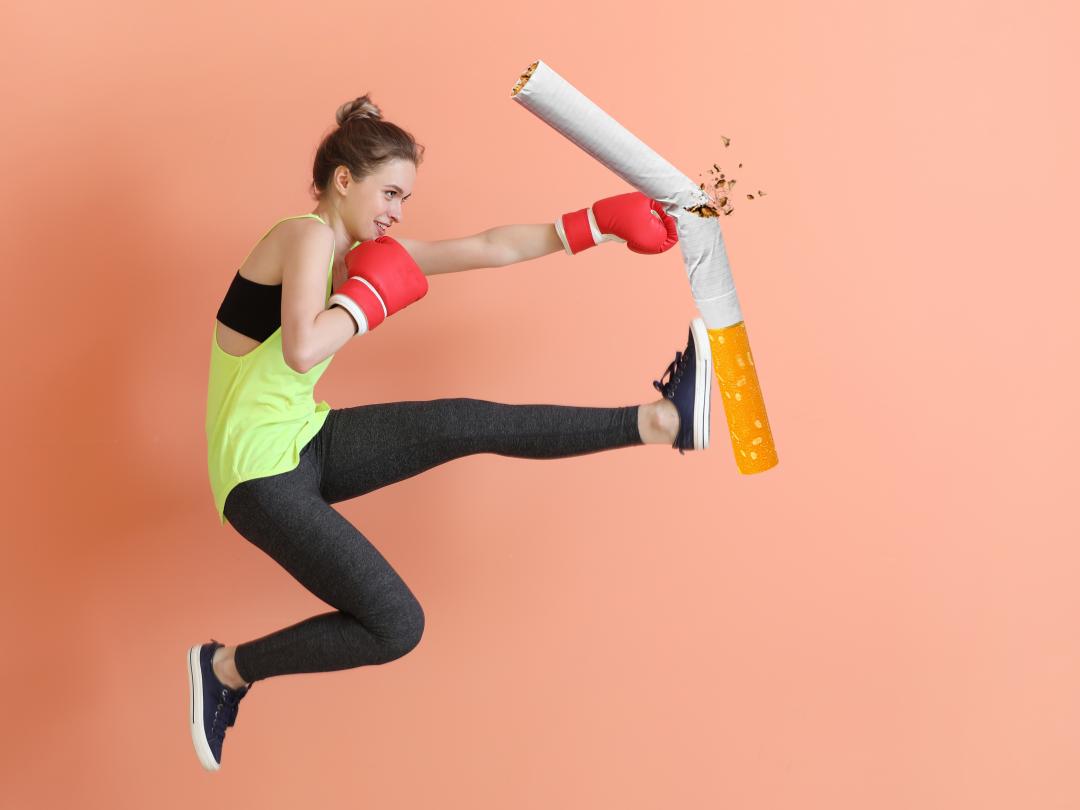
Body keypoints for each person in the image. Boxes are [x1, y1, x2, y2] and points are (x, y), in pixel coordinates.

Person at [187, 93, 713, 772]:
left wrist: (593, 225)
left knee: (465, 421)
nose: (398, 212)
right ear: (343, 181)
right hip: (258, 475)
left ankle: (661, 420)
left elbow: (489, 247)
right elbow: (300, 348)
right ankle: (228, 669)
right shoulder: (307, 235)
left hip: (303, 439)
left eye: (405, 198)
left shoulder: (354, 254)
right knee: (397, 626)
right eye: (391, 192)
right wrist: (368, 301)